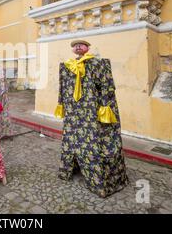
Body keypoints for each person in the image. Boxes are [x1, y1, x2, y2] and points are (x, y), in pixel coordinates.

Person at [54, 40, 128, 198]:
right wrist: (61, 104)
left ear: (87, 48)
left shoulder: (98, 63)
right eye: (75, 45)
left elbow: (107, 85)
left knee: (96, 141)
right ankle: (70, 168)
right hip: (74, 113)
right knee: (73, 139)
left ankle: (100, 179)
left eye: (81, 45)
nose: (78, 47)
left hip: (91, 113)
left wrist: (105, 106)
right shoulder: (67, 66)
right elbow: (62, 86)